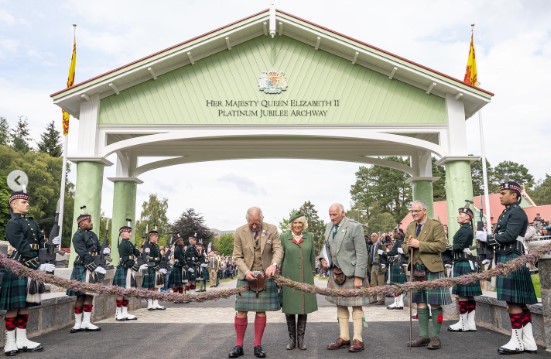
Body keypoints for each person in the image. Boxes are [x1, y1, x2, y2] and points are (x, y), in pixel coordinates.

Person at [1, 191, 53, 355]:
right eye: (23, 202)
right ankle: (10, 342)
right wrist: (36, 263)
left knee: (25, 305)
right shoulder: (13, 223)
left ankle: (22, 339)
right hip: (18, 264)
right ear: (13, 205)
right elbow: (21, 244)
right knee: (14, 306)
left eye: (27, 201)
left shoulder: (32, 222)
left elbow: (40, 242)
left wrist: (47, 257)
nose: (27, 204)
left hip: (31, 266)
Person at [229, 207, 282, 359]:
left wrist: (274, 264)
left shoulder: (271, 229)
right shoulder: (239, 232)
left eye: (257, 222)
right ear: (247, 220)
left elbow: (278, 250)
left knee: (260, 310)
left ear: (262, 218)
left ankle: (257, 346)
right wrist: (246, 271)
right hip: (246, 275)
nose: (254, 226)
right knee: (241, 310)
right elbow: (237, 256)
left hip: (265, 276)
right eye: (251, 223)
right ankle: (239, 346)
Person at [491, 180, 538, 355]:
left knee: (514, 303)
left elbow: (510, 235)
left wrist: (488, 238)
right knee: (518, 302)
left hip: (512, 257)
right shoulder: (508, 212)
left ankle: (517, 342)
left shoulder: (517, 212)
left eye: (504, 193)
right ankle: (529, 342)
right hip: (508, 257)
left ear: (514, 195)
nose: (500, 196)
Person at [403, 200, 451, 350]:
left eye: (416, 211)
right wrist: (408, 246)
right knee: (420, 303)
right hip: (416, 268)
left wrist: (420, 245)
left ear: (424, 210)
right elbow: (405, 245)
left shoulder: (435, 225)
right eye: (412, 211)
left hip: (433, 268)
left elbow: (442, 246)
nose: (413, 214)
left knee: (435, 303)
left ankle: (435, 337)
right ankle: (424, 336)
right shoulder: (410, 226)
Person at [321, 203, 368, 353]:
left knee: (356, 305)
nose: (332, 217)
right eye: (330, 214)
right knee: (340, 304)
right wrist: (323, 259)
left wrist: (359, 276)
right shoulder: (328, 226)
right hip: (336, 272)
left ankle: (358, 339)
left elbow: (362, 253)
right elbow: (326, 247)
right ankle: (344, 338)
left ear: (343, 213)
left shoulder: (355, 227)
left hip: (352, 273)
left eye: (335, 214)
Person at [280, 212, 318, 351]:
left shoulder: (310, 237)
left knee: (303, 309)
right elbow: (280, 256)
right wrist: (279, 276)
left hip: (305, 277)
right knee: (290, 309)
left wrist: (312, 273)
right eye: (295, 223)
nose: (297, 225)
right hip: (288, 277)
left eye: (300, 223)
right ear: (291, 224)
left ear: (304, 224)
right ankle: (292, 340)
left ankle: (301, 340)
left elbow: (312, 257)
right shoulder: (284, 237)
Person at [66, 209, 108, 333]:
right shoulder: (77, 235)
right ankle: (77, 323)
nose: (91, 222)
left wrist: (104, 250)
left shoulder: (93, 235)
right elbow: (83, 252)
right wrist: (94, 266)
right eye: (88, 221)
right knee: (80, 296)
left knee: (89, 295)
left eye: (90, 220)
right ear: (81, 223)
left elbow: (98, 249)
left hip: (93, 265)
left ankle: (87, 322)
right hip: (82, 265)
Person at [448, 204, 482, 333]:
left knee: (463, 294)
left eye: (461, 214)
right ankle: (470, 323)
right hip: (467, 261)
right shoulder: (466, 228)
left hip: (463, 261)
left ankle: (463, 323)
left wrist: (448, 248)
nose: (458, 216)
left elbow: (459, 246)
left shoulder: (464, 229)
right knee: (469, 295)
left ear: (468, 217)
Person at [112, 222, 140, 321]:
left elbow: (136, 253)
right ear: (123, 233)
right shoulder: (123, 245)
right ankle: (118, 313)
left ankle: (124, 312)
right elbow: (125, 259)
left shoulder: (129, 243)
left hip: (128, 269)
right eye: (129, 232)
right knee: (120, 292)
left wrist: (142, 254)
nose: (130, 234)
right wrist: (135, 266)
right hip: (124, 268)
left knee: (127, 292)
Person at [142, 228, 166, 310]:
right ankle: (149, 304)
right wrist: (153, 263)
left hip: (157, 267)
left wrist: (159, 260)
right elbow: (146, 257)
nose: (157, 237)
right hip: (150, 267)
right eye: (155, 236)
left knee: (157, 286)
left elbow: (159, 257)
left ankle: (156, 303)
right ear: (150, 236)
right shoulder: (146, 245)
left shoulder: (156, 246)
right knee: (150, 287)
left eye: (157, 236)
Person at [386, 228, 408, 310]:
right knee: (400, 285)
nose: (393, 234)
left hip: (398, 264)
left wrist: (385, 253)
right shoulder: (403, 241)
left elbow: (393, 252)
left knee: (396, 284)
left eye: (394, 233)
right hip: (400, 264)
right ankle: (400, 303)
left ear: (398, 234)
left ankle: (397, 303)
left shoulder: (399, 242)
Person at [367, 232, 387, 305]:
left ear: (377, 237)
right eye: (371, 236)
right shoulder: (372, 246)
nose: (372, 237)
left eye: (373, 236)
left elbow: (386, 255)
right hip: (373, 266)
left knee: (381, 283)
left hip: (379, 265)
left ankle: (382, 299)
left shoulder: (381, 245)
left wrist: (383, 266)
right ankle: (374, 299)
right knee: (373, 283)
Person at [168, 236, 186, 302]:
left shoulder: (181, 248)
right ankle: (175, 298)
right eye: (181, 241)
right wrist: (185, 265)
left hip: (180, 267)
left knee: (180, 283)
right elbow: (181, 258)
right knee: (176, 284)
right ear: (178, 242)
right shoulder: (177, 249)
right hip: (177, 266)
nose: (182, 242)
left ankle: (180, 298)